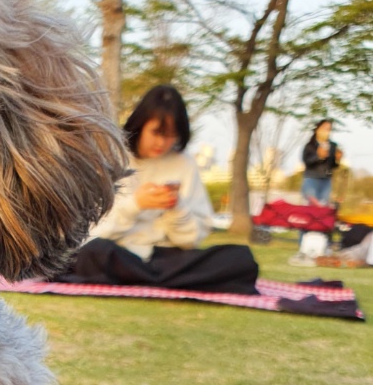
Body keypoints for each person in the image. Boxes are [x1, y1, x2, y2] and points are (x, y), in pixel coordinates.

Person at [56, 85, 258, 294]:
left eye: (171, 135)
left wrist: (176, 207)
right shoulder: (114, 156)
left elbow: (190, 241)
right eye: (156, 132)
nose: (162, 142)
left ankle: (140, 279)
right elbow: (91, 232)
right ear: (141, 124)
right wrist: (136, 205)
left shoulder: (184, 163)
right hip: (118, 252)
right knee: (93, 253)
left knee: (239, 259)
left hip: (166, 257)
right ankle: (161, 280)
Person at [300, 119, 342, 205]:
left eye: (329, 129)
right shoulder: (310, 145)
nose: (326, 131)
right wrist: (318, 156)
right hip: (311, 179)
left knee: (323, 207)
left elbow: (333, 165)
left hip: (326, 180)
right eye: (324, 128)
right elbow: (306, 162)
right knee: (312, 206)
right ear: (317, 129)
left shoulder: (333, 145)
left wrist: (337, 159)